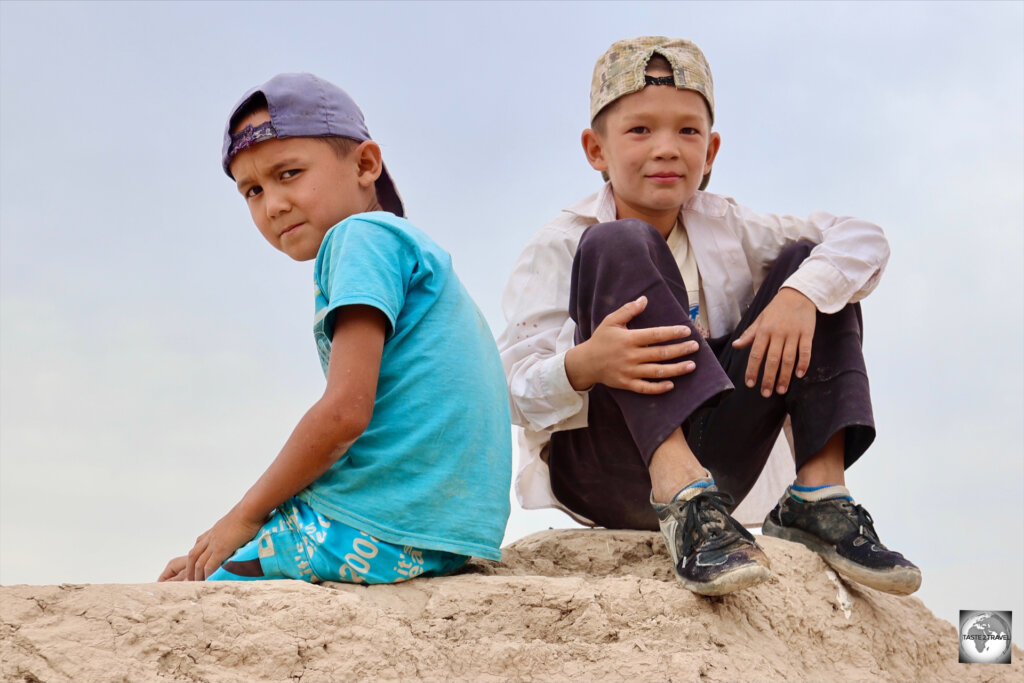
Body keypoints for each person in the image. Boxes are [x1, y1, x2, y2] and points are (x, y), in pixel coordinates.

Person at [498, 37, 920, 597]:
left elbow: (861, 238)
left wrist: (800, 295)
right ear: (595, 150)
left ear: (712, 150)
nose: (667, 149)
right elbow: (508, 388)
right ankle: (680, 491)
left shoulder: (729, 227)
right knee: (618, 243)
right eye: (640, 130)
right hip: (606, 469)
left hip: (720, 462)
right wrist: (585, 364)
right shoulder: (561, 243)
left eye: (688, 131)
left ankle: (817, 499)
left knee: (810, 266)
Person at [159, 73, 511, 584]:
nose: (273, 204)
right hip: (444, 534)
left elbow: (344, 413)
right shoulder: (406, 246)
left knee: (198, 590)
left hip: (374, 526)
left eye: (289, 173)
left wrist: (242, 517)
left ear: (366, 165)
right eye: (252, 190)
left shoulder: (360, 237)